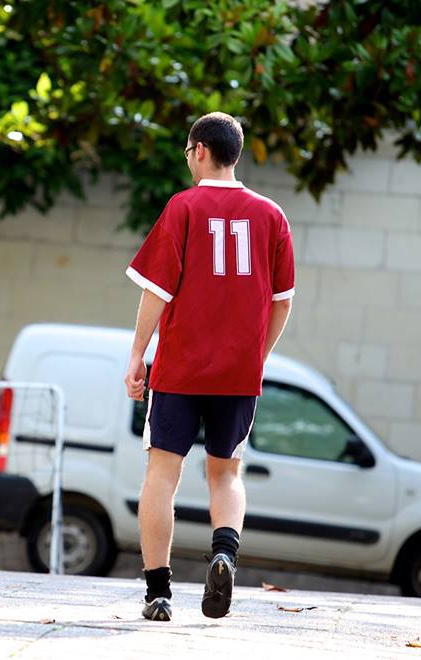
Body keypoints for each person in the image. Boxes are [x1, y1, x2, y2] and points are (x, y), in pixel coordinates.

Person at [123, 112, 294, 622]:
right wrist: (256, 355)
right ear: (234, 154)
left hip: (181, 369)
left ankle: (158, 592)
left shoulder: (184, 206)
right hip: (238, 373)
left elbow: (158, 290)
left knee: (162, 471)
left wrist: (137, 354)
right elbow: (283, 301)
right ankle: (224, 552)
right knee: (226, 472)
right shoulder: (271, 215)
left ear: (199, 150)